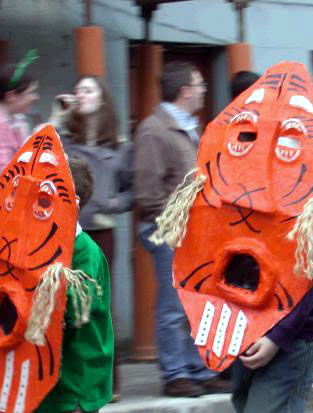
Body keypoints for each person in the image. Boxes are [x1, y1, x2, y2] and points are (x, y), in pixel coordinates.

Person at [134, 61, 230, 397]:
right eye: (200, 85)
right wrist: (174, 226)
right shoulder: (153, 130)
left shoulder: (188, 127)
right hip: (169, 232)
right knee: (173, 305)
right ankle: (175, 374)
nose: (204, 90)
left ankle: (198, 370)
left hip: (194, 232)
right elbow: (147, 193)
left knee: (197, 304)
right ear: (185, 91)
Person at [49, 74, 132, 400]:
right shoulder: (68, 138)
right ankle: (64, 380)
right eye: (78, 89)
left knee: (96, 305)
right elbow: (44, 151)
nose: (81, 95)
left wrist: (114, 203)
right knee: (64, 305)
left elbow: (132, 188)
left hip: (100, 229)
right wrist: (57, 116)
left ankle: (105, 383)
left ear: (102, 97)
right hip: (64, 229)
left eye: (89, 89)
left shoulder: (119, 144)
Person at [37, 158, 114, 413]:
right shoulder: (37, 248)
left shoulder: (84, 252)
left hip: (77, 377)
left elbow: (76, 309)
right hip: (46, 380)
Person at [231, 282, 313, 412]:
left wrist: (279, 336)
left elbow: (306, 282)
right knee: (242, 402)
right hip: (244, 331)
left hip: (289, 339)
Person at [0, 51, 39, 172]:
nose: (35, 97)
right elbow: (5, 172)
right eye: (30, 93)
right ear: (11, 96)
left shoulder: (17, 120)